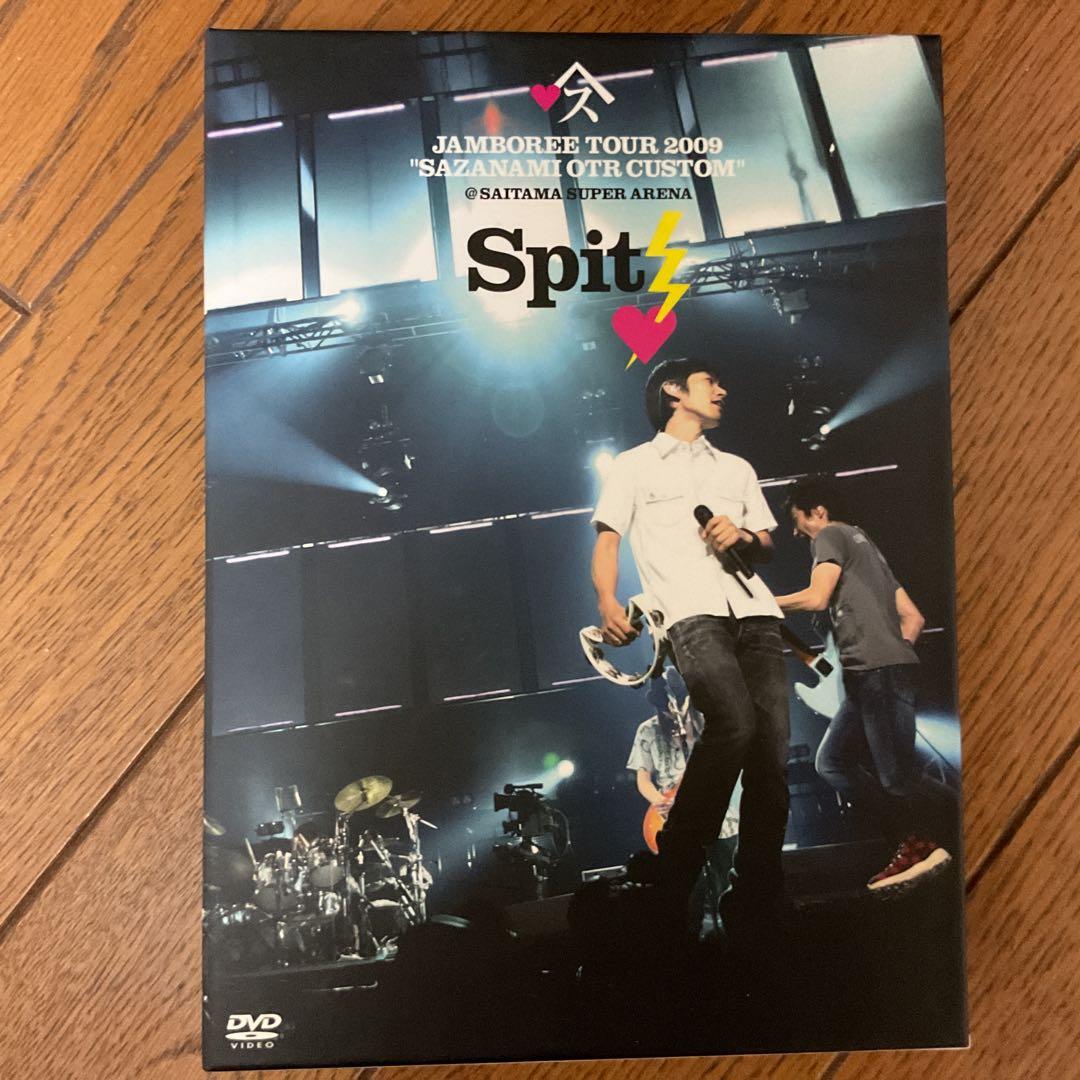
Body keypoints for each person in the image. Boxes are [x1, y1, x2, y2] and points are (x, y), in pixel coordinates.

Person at [591, 357, 789, 943]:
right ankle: (674, 868)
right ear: (674, 392)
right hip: (688, 612)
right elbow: (608, 538)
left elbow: (766, 544)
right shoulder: (634, 465)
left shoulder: (736, 467)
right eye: (711, 382)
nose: (722, 389)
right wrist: (607, 600)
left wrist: (743, 535)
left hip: (755, 611)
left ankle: (757, 886)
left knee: (771, 752)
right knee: (733, 724)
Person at [775, 476, 955, 891]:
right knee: (831, 761)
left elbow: (816, 598)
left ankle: (957, 818)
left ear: (818, 512)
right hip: (872, 675)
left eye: (797, 520)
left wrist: (762, 604)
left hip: (877, 674)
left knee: (896, 778)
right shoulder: (867, 546)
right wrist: (893, 656)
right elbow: (914, 618)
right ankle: (914, 837)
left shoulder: (830, 535)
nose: (796, 532)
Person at [627, 666, 739, 936]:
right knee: (688, 891)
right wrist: (660, 801)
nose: (670, 712)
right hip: (674, 819)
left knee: (726, 879)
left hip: (720, 816)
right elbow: (643, 779)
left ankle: (732, 936)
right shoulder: (647, 730)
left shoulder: (707, 724)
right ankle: (689, 942)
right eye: (664, 708)